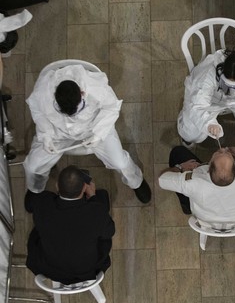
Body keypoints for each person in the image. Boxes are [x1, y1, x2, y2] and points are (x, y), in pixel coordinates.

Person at [23, 63, 151, 203]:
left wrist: (98, 133)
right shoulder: (43, 92)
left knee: (120, 162)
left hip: (94, 128)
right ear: (54, 95)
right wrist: (46, 135)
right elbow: (37, 111)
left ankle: (136, 181)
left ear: (82, 93)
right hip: (57, 133)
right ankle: (35, 188)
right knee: (32, 166)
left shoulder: (96, 88)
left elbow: (112, 108)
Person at [25, 165, 115, 285]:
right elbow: (110, 231)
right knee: (102, 197)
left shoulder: (43, 203)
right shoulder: (97, 212)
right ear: (84, 188)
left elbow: (30, 205)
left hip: (50, 268)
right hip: (87, 270)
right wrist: (93, 197)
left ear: (57, 185)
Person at [177, 49, 235, 147]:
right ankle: (184, 119)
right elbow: (198, 106)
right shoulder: (207, 76)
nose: (232, 90)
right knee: (191, 134)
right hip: (212, 101)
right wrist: (209, 123)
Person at [158, 144, 235, 219]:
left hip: (203, 216)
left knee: (177, 152)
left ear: (208, 168)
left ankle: (186, 207)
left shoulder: (192, 182)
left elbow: (162, 178)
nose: (223, 150)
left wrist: (180, 167)